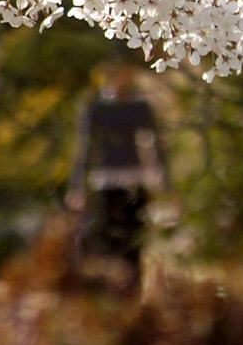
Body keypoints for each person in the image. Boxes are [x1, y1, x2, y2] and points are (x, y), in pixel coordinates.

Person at [64, 64, 169, 287]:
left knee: (134, 240)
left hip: (134, 180)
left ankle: (133, 292)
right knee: (106, 239)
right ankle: (111, 291)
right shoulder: (97, 108)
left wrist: (164, 181)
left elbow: (155, 144)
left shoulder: (140, 107)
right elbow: (85, 148)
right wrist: (77, 187)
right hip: (106, 181)